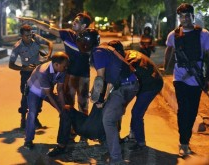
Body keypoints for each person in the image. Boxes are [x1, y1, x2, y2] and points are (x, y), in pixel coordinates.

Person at [76, 29, 139, 164]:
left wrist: (97, 98)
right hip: (128, 84)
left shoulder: (98, 53)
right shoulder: (103, 49)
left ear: (86, 43)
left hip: (124, 86)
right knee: (107, 113)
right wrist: (100, 98)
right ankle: (108, 144)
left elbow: (100, 79)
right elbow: (109, 78)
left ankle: (116, 159)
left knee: (108, 120)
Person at [164, 3, 209, 157]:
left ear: (193, 16)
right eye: (181, 16)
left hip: (196, 78)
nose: (184, 19)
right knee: (183, 109)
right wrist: (165, 69)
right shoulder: (173, 35)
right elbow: (168, 52)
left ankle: (186, 139)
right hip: (179, 78)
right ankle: (183, 142)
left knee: (192, 111)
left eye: (187, 15)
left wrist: (207, 78)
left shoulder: (203, 34)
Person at [18, 13, 92, 116]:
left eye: (77, 21)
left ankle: (83, 129)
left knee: (83, 106)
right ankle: (69, 128)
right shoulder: (67, 34)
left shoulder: (90, 38)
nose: (74, 22)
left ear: (84, 26)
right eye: (74, 20)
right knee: (68, 103)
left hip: (84, 76)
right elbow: (48, 28)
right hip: (69, 75)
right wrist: (31, 20)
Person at [9, 24, 53, 129]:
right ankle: (23, 118)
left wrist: (48, 55)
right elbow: (11, 65)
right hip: (26, 73)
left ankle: (35, 117)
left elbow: (50, 43)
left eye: (30, 35)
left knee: (40, 95)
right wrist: (24, 68)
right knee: (25, 95)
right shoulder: (17, 47)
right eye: (26, 36)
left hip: (39, 71)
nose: (29, 37)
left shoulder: (36, 38)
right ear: (22, 36)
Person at [23, 52, 69, 150]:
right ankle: (28, 140)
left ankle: (64, 138)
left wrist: (63, 107)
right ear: (56, 64)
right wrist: (59, 111)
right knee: (32, 113)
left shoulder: (62, 69)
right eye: (64, 66)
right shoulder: (43, 72)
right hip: (34, 90)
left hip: (47, 89)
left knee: (65, 110)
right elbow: (48, 94)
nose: (66, 68)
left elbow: (60, 90)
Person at [120, 50, 164, 151]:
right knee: (135, 111)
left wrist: (123, 104)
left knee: (136, 113)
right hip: (149, 80)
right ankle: (132, 136)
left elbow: (129, 85)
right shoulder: (129, 52)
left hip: (151, 84)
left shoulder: (129, 63)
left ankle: (140, 142)